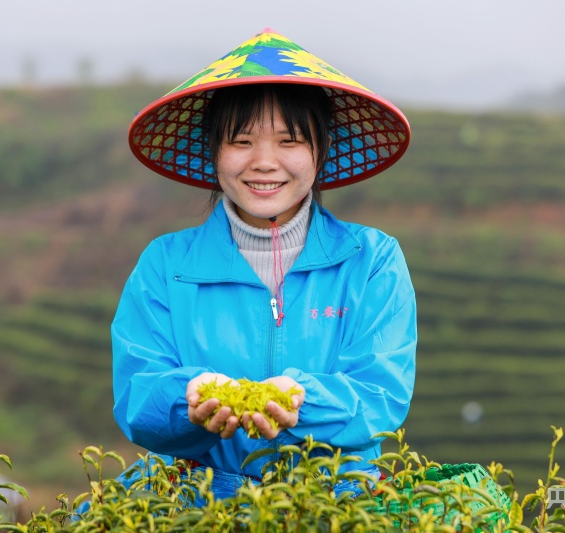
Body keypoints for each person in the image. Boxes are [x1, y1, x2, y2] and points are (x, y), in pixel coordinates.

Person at [111, 28, 416, 502]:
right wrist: (189, 397)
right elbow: (138, 394)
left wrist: (302, 402)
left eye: (289, 141)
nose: (265, 162)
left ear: (320, 150)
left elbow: (381, 394)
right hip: (196, 506)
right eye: (242, 141)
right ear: (214, 150)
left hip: (335, 506)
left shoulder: (372, 261)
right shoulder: (166, 265)